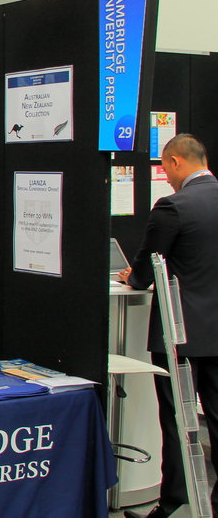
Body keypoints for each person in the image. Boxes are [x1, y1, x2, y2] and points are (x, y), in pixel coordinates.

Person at [119, 134, 218, 518]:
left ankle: (174, 505)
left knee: (178, 422)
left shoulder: (173, 206)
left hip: (180, 335)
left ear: (175, 162)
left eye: (165, 168)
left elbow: (145, 272)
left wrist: (132, 277)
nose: (168, 177)